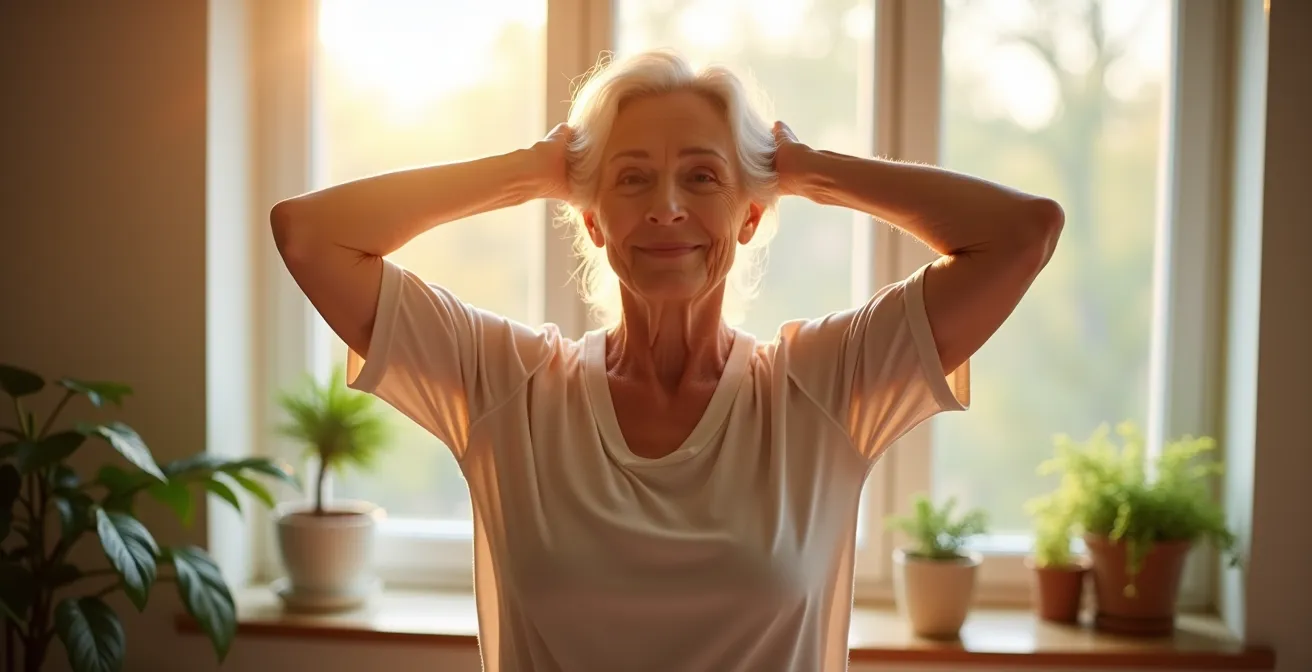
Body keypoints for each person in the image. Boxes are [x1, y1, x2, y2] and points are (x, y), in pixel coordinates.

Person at [270, 50, 1062, 672]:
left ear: (751, 217)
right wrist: (528, 171)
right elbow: (310, 235)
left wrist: (807, 169)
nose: (666, 208)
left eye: (702, 176)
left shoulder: (824, 385)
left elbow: (1023, 235)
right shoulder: (503, 385)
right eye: (632, 178)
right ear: (592, 221)